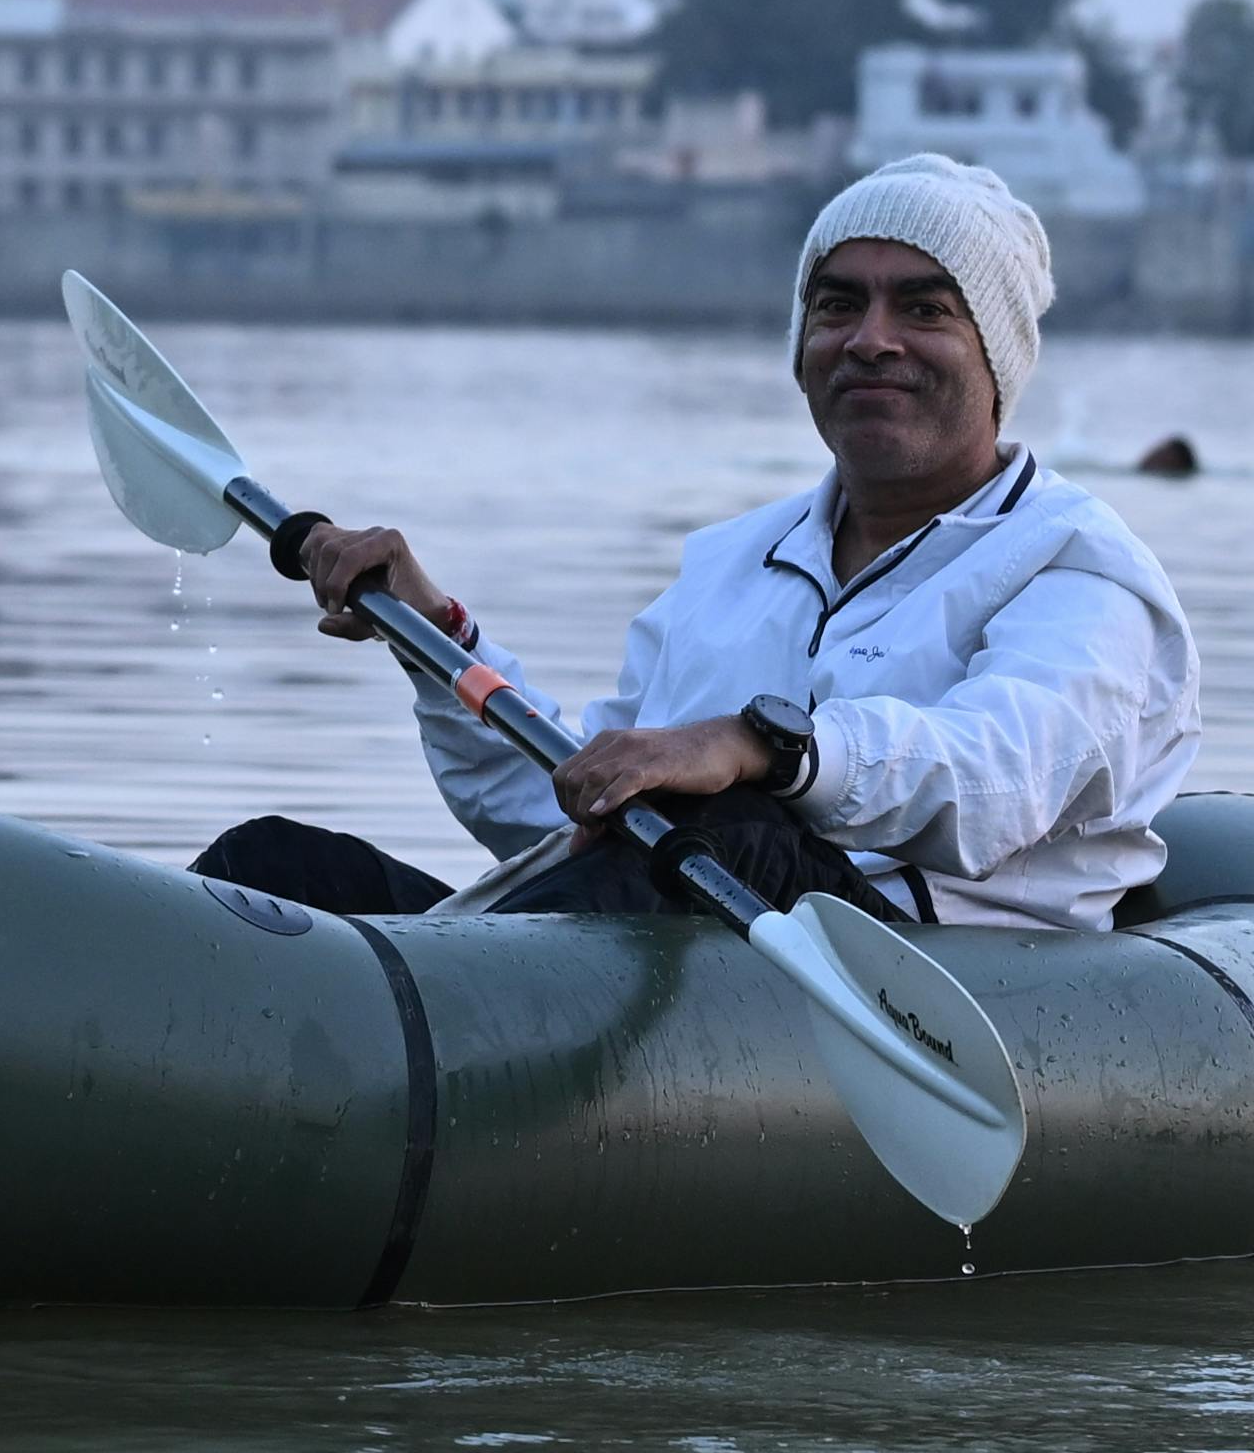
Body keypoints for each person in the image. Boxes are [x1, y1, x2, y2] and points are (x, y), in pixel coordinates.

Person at [195, 153, 1198, 933]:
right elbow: (571, 808)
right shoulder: (731, 563)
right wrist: (437, 636)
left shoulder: (1082, 572)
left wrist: (763, 749)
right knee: (270, 864)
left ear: (995, 358)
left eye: (925, 308)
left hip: (911, 983)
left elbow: (993, 779)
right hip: (654, 959)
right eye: (837, 305)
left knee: (732, 827)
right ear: (802, 350)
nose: (871, 339)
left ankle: (428, 1036)